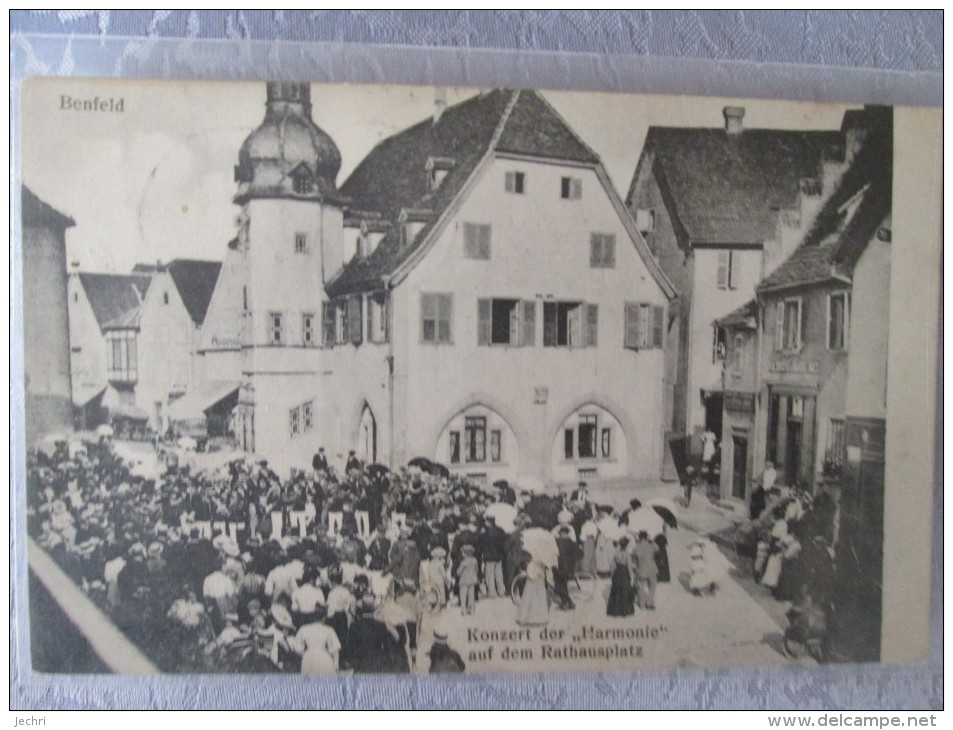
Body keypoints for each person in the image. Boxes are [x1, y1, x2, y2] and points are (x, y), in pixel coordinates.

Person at [630, 531, 659, 610]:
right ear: (647, 537)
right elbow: (658, 549)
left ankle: (642, 603)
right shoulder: (651, 546)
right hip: (652, 569)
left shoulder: (636, 547)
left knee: (641, 587)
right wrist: (651, 540)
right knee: (652, 587)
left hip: (641, 569)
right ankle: (650, 603)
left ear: (639, 537)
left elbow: (633, 559)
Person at [515, 559, 549, 627]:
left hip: (532, 581)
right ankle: (540, 619)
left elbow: (531, 575)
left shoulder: (532, 563)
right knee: (539, 601)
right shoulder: (543, 559)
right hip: (539, 581)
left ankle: (525, 618)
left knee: (528, 600)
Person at [606, 537, 635, 617]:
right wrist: (632, 576)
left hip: (617, 572)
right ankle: (625, 611)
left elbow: (612, 566)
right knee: (625, 591)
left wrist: (612, 576)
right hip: (625, 572)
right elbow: (629, 567)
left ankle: (616, 611)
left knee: (616, 590)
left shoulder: (616, 554)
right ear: (626, 545)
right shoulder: (627, 554)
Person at [456, 544, 479, 616]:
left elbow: (458, 572)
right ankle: (471, 610)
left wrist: (457, 573)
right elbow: (476, 570)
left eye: (463, 552)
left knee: (463, 596)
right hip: (472, 580)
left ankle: (463, 610)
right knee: (471, 596)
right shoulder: (475, 560)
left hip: (464, 581)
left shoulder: (464, 562)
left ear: (465, 553)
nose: (462, 554)